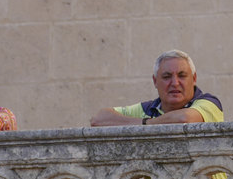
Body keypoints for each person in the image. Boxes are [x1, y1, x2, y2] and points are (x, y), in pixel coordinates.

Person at [90, 50, 224, 127]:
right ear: (155, 81)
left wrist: (147, 124)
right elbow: (99, 119)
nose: (175, 83)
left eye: (182, 76)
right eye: (167, 77)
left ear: (194, 79)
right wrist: (144, 123)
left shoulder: (209, 103)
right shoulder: (147, 109)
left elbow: (184, 119)